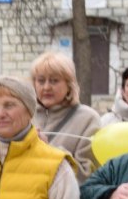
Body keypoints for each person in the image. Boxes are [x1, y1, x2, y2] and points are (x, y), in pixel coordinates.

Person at [30, 51, 102, 183]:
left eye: (54, 81)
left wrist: (49, 151)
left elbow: (89, 175)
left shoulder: (88, 118)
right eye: (41, 80)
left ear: (69, 85)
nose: (46, 87)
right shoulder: (25, 115)